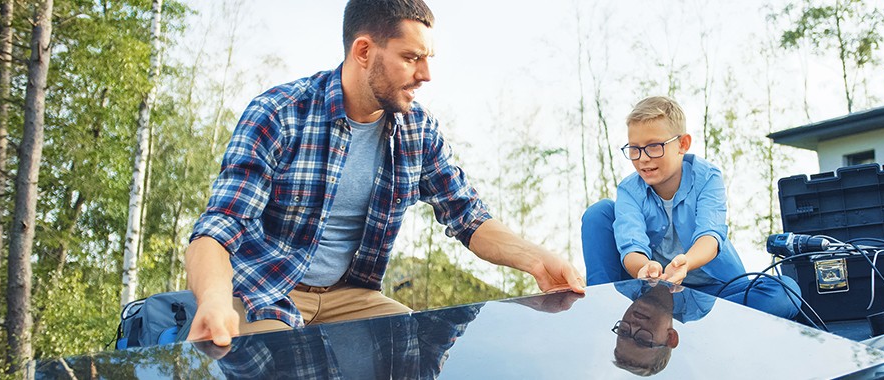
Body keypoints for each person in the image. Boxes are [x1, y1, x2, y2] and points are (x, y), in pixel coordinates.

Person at [185, 0, 585, 349]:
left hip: (352, 298)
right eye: (411, 58)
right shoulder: (280, 113)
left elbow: (469, 217)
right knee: (280, 363)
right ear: (363, 51)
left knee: (411, 354)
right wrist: (215, 300)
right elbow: (219, 227)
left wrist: (537, 259)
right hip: (267, 291)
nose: (426, 74)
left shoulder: (418, 131)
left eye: (429, 59)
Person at [581, 96, 801, 319]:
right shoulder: (630, 190)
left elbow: (710, 235)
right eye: (635, 149)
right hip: (658, 293)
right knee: (599, 212)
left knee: (784, 291)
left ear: (683, 145)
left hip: (717, 293)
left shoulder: (707, 177)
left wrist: (686, 263)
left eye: (654, 147)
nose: (643, 159)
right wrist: (645, 268)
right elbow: (631, 244)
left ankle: (709, 326)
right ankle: (603, 310)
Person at [610, 279, 711, 376]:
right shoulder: (695, 306)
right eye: (642, 340)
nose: (634, 326)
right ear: (671, 337)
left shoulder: (623, 283)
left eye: (623, 332)